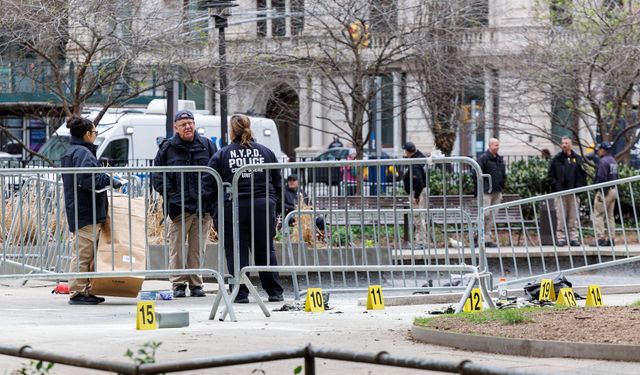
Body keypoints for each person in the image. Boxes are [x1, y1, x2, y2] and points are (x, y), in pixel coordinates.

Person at [209, 114, 284, 304]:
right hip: (262, 205)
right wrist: (276, 205)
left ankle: (240, 292)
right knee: (265, 249)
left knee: (236, 250)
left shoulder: (223, 154)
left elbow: (208, 185)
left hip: (233, 207)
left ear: (232, 130)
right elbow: (278, 182)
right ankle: (274, 291)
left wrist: (216, 210)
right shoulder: (265, 152)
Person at [152, 109, 217, 298]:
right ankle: (179, 284)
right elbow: (157, 176)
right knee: (177, 248)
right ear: (176, 127)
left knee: (198, 249)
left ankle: (196, 284)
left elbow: (215, 173)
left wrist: (208, 195)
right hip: (178, 208)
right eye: (183, 124)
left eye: (190, 122)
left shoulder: (207, 146)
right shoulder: (167, 148)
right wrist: (172, 195)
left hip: (202, 207)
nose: (188, 126)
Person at [61, 116, 121, 305]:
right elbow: (88, 179)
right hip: (86, 210)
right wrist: (109, 181)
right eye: (95, 132)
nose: (95, 135)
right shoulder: (83, 153)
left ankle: (84, 290)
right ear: (87, 134)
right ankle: (78, 292)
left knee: (85, 253)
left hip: (80, 209)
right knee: (84, 254)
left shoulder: (72, 152)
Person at [548, 136, 587, 247]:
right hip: (560, 193)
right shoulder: (556, 159)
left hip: (573, 193)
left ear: (570, 144)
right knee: (561, 217)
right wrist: (556, 187)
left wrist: (579, 189)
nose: (564, 145)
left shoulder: (577, 158)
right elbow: (550, 176)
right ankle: (561, 238)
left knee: (573, 217)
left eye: (566, 143)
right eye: (563, 143)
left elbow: (582, 175)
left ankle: (573, 238)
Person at [477, 138, 506, 248]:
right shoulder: (483, 158)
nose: (498, 147)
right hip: (486, 192)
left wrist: (502, 186)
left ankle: (487, 238)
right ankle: (478, 237)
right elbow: (476, 174)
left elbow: (502, 174)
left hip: (497, 191)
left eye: (498, 145)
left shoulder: (499, 159)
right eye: (496, 145)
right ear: (490, 146)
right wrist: (483, 186)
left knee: (492, 216)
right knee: (484, 214)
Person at [281, 174, 325, 240]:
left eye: (294, 180)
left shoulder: (301, 191)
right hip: (291, 216)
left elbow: (309, 204)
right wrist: (294, 208)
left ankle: (321, 238)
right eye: (290, 180)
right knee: (291, 220)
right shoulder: (283, 191)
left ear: (298, 182)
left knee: (320, 220)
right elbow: (281, 205)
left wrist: (313, 209)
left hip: (305, 217)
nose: (291, 182)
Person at [591, 142, 618, 247]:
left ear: (603, 150)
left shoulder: (603, 161)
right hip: (614, 189)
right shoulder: (613, 160)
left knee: (598, 214)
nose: (598, 151)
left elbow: (602, 177)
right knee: (610, 216)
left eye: (599, 149)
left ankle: (600, 238)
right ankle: (611, 239)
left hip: (605, 191)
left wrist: (598, 190)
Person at [402, 142, 427, 246]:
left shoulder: (415, 163)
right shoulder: (418, 158)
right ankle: (420, 241)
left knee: (418, 217)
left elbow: (419, 182)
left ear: (408, 151)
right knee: (419, 216)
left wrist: (416, 196)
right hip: (418, 191)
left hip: (417, 192)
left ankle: (421, 242)